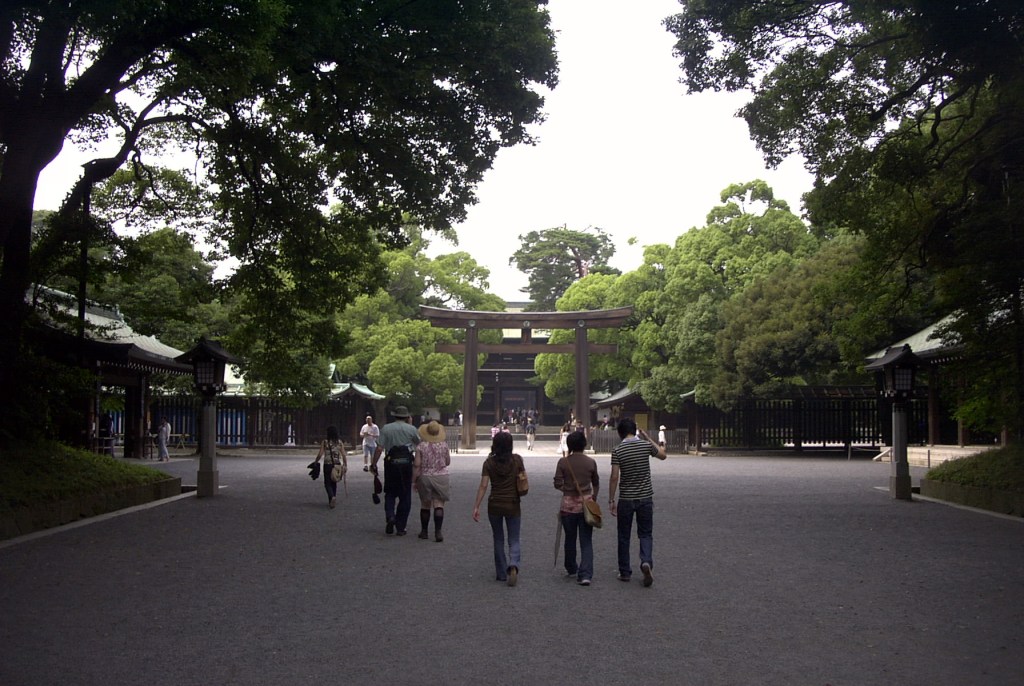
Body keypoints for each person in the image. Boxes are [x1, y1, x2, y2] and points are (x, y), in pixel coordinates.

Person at [608, 418, 666, 587]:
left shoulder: (618, 450)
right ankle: (646, 561)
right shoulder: (645, 446)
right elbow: (663, 455)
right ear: (635, 430)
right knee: (645, 533)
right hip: (645, 497)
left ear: (620, 433)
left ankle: (625, 572)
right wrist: (647, 438)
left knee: (624, 535)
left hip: (626, 498)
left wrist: (611, 499)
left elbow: (614, 477)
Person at [472, 431, 526, 586]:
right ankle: (514, 563)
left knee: (498, 537)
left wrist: (476, 506)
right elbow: (522, 479)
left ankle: (501, 573)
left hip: (494, 503)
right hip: (513, 503)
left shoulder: (489, 463)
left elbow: (483, 486)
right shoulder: (517, 461)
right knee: (514, 538)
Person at [553, 431, 599, 586]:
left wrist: (567, 488)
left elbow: (557, 483)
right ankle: (585, 574)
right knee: (586, 540)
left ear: (569, 445)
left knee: (570, 538)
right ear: (584, 444)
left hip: (568, 505)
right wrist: (593, 498)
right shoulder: (591, 462)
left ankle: (571, 567)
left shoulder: (563, 462)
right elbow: (596, 482)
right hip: (586, 504)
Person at [371, 406, 420, 535]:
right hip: (406, 464)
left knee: (390, 492)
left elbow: (379, 448)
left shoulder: (386, 428)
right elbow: (419, 444)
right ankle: (400, 526)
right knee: (405, 495)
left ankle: (390, 516)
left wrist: (373, 463)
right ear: (407, 417)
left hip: (391, 463)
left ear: (395, 415)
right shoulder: (411, 429)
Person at [414, 420, 451, 542]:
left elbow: (417, 464)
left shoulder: (421, 446)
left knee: (425, 504)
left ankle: (424, 531)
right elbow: (447, 462)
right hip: (441, 476)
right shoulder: (444, 445)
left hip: (425, 476)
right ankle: (438, 531)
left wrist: (414, 480)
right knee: (439, 504)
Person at [314, 425, 348, 509]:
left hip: (327, 464)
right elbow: (343, 454)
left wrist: (316, 461)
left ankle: (332, 497)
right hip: (337, 464)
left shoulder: (325, 442)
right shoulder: (339, 442)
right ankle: (333, 499)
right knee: (334, 481)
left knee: (327, 482)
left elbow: (320, 454)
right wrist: (345, 465)